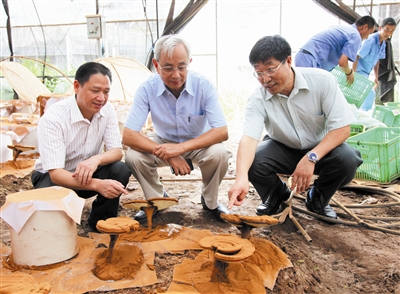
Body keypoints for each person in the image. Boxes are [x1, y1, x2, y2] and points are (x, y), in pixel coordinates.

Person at [228, 35, 363, 219]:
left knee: (347, 159)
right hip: (282, 147)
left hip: (321, 149)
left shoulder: (322, 81)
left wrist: (311, 157)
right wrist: (241, 178)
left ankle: (318, 198)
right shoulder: (257, 99)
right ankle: (276, 195)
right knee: (253, 161)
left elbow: (341, 129)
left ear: (289, 61)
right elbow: (249, 139)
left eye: (270, 69)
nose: (265, 79)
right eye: (258, 73)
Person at [123, 34, 231, 222]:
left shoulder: (203, 85)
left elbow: (222, 131)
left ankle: (210, 200)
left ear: (189, 62)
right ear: (156, 66)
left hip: (198, 141)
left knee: (219, 153)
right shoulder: (146, 89)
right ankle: (157, 199)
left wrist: (181, 148)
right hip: (163, 141)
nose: (176, 74)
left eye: (181, 67)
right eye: (167, 68)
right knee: (133, 156)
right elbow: (128, 135)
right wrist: (171, 154)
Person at [31, 62, 131, 231]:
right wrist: (97, 184)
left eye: (106, 92)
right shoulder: (54, 118)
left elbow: (116, 151)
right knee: (54, 226)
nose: (102, 98)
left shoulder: (107, 111)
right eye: (95, 90)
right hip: (53, 179)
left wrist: (96, 159)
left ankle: (101, 221)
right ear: (77, 86)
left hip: (87, 174)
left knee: (120, 169)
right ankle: (60, 224)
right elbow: (55, 174)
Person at [295, 15, 376, 85]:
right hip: (310, 61)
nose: (367, 38)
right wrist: (349, 73)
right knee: (309, 96)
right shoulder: (356, 36)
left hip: (303, 56)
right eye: (369, 33)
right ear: (365, 27)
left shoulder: (342, 28)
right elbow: (342, 62)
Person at [353, 17, 397, 111]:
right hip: (358, 71)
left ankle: (361, 115)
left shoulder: (383, 43)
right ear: (380, 28)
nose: (388, 33)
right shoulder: (371, 40)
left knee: (362, 97)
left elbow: (377, 61)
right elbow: (356, 56)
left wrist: (376, 77)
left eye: (392, 31)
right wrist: (353, 74)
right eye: (387, 30)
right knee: (369, 94)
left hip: (366, 73)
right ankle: (364, 115)